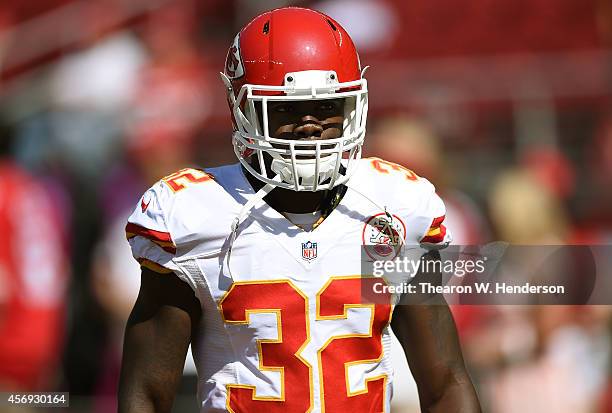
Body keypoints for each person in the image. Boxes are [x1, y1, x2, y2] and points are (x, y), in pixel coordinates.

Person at [118, 7, 481, 413]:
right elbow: (147, 393)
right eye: (287, 109)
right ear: (243, 109)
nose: (310, 124)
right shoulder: (195, 215)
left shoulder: (395, 206)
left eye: (327, 106)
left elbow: (446, 382)